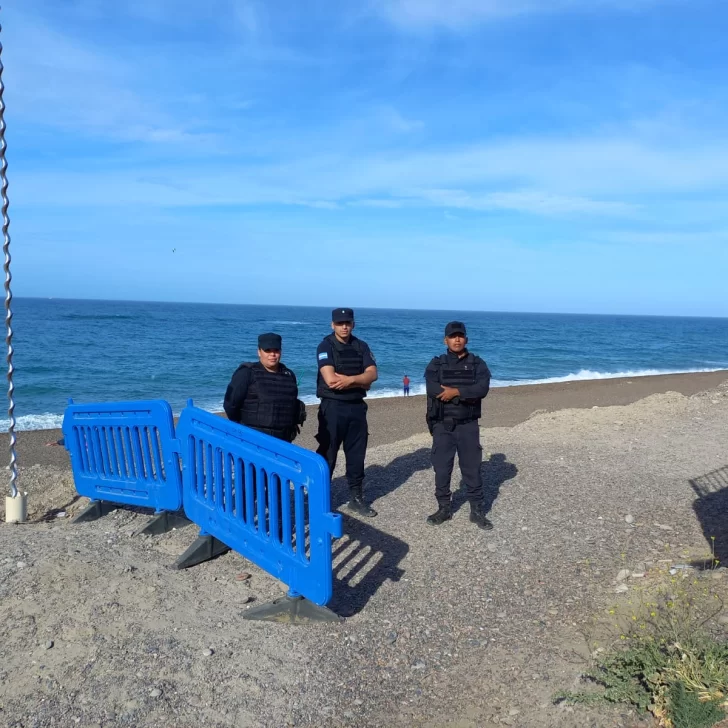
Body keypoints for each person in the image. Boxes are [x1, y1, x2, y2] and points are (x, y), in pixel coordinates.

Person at [424, 321, 493, 530]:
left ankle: (476, 510)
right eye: (452, 336)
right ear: (445, 340)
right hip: (443, 425)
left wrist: (455, 392)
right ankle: (444, 508)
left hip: (468, 425)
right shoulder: (436, 364)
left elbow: (482, 388)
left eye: (460, 336)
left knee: (472, 468)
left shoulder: (477, 364)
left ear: (466, 339)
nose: (457, 340)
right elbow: (432, 388)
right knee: (442, 468)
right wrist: (463, 393)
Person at [316, 308, 378, 517]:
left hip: (356, 407)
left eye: (347, 323)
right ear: (332, 325)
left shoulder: (361, 346)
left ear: (353, 324)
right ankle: (320, 500)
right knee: (328, 454)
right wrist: (362, 380)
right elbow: (331, 380)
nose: (344, 327)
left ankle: (356, 499)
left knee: (357, 454)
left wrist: (351, 380)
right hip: (332, 407)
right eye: (340, 323)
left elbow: (373, 374)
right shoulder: (325, 346)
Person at [223, 332, 306, 443]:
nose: (272, 354)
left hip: (283, 440)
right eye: (268, 350)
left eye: (276, 350)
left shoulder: (289, 375)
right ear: (259, 352)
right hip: (252, 439)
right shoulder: (246, 373)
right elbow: (230, 405)